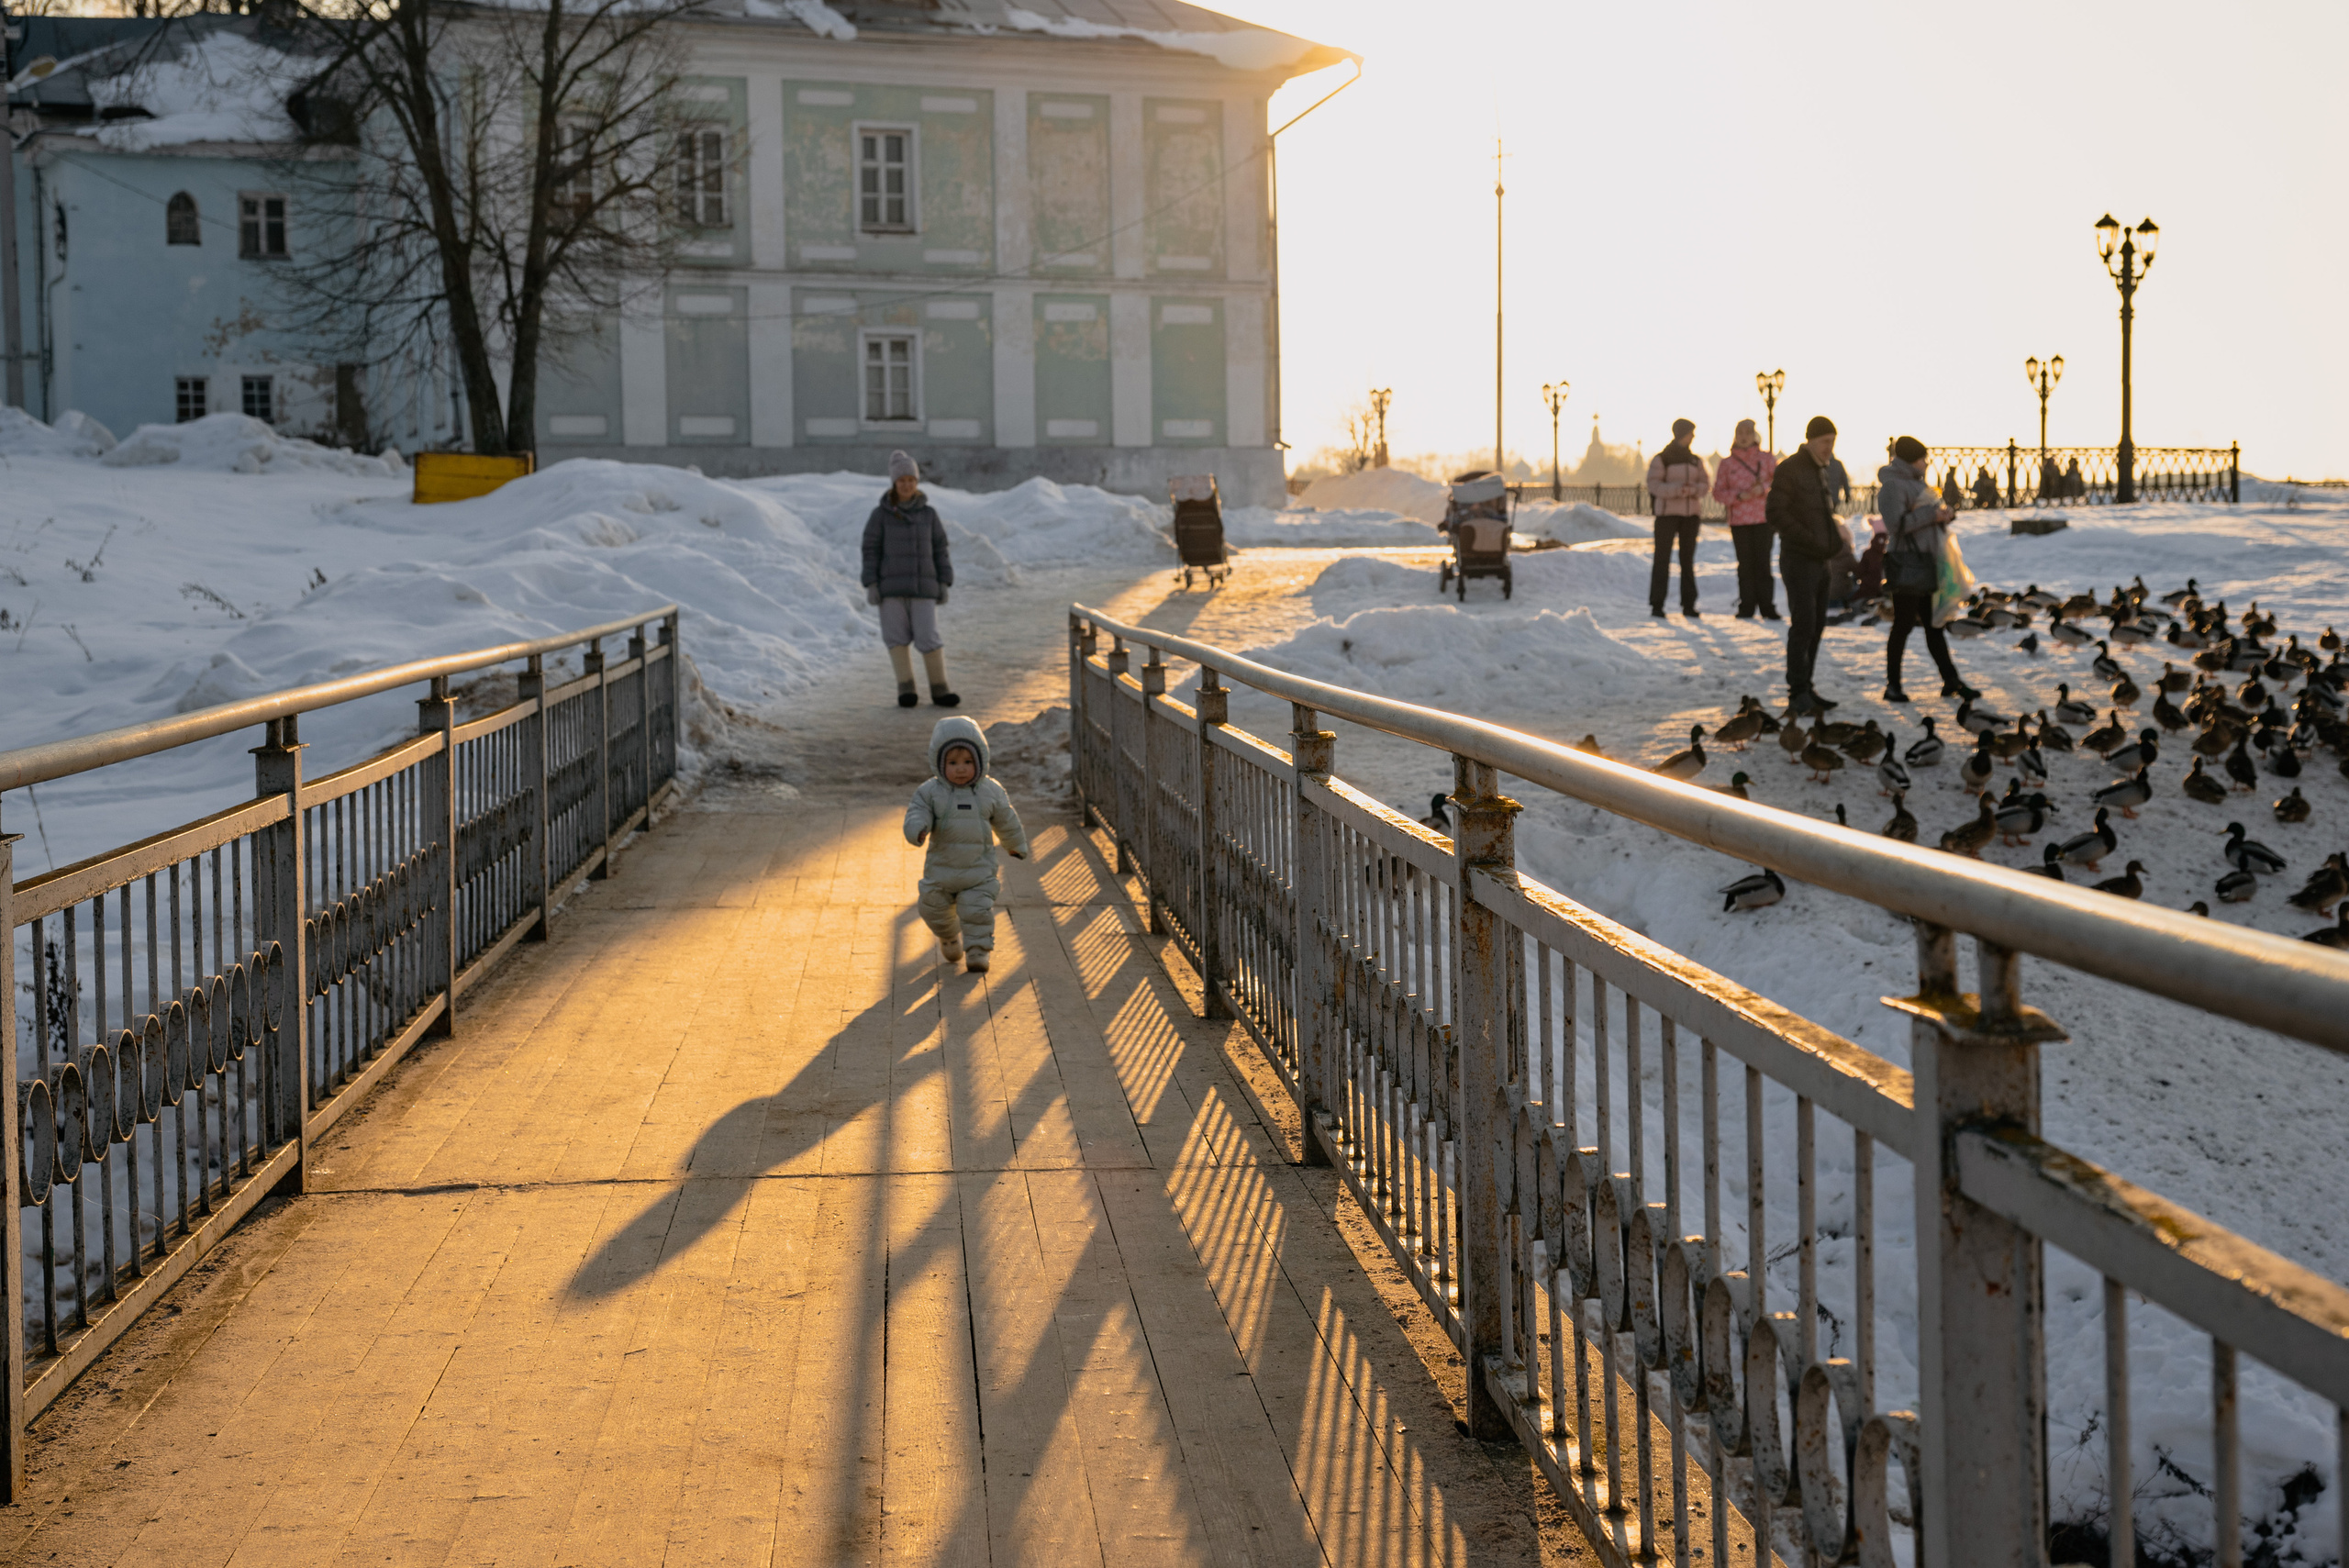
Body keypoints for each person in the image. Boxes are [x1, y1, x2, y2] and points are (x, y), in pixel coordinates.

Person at [903, 716, 1029, 974]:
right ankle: (949, 937)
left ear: (980, 760)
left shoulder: (990, 791)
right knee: (931, 907)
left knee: (977, 910)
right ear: (939, 763)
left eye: (968, 762)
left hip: (978, 871)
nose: (961, 769)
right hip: (941, 871)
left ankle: (978, 951)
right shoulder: (930, 792)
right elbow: (917, 812)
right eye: (953, 762)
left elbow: (1007, 820)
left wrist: (1015, 844)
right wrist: (918, 828)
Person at [1878, 435, 1976, 703]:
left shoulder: (1918, 484)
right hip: (1909, 565)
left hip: (1929, 564)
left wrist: (1945, 514)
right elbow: (1896, 525)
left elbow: (1926, 517)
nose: (1927, 463)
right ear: (1912, 460)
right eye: (1923, 458)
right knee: (1903, 625)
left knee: (1935, 624)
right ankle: (1893, 685)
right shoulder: (1892, 486)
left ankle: (1951, 681)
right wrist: (1932, 515)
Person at [1765, 415, 1850, 714]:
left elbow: (1823, 515)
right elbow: (1775, 513)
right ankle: (1797, 691)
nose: (1830, 448)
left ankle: (1807, 687)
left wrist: (1833, 543)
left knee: (1816, 626)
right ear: (1811, 440)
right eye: (1825, 441)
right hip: (1799, 560)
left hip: (1821, 560)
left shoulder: (1820, 471)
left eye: (1833, 442)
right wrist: (1808, 540)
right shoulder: (1790, 469)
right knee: (1803, 626)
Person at [863, 450, 959, 708]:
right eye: (902, 480)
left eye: (911, 480)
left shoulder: (929, 515)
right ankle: (906, 688)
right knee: (896, 638)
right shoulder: (880, 516)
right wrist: (871, 583)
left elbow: (940, 549)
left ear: (917, 483)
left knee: (929, 636)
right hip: (891, 589)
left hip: (924, 588)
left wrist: (943, 582)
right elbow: (870, 550)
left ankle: (940, 689)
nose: (907, 484)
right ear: (894, 483)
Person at [1711, 417, 1778, 618]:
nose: (1743, 437)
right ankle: (1746, 605)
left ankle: (1767, 606)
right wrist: (1738, 497)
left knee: (1763, 564)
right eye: (1740, 433)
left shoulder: (1766, 459)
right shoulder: (1727, 463)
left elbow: (1780, 484)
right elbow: (1718, 492)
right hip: (1739, 521)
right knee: (1745, 564)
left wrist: (1763, 489)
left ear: (1754, 435)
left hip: (1763, 519)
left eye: (1747, 433)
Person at [1644, 418, 1710, 617]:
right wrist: (1677, 490)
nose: (1693, 436)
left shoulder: (1695, 460)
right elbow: (1653, 485)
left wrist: (1693, 490)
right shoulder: (1662, 459)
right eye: (1691, 432)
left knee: (1687, 560)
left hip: (1690, 516)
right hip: (1667, 516)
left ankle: (1689, 604)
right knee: (1662, 559)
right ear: (1682, 434)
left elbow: (1705, 484)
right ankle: (1657, 604)